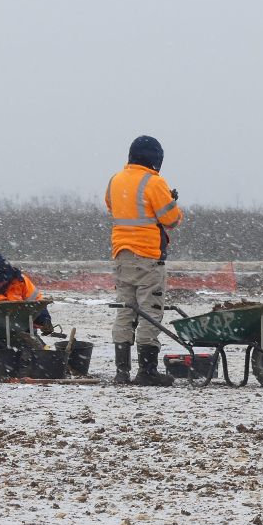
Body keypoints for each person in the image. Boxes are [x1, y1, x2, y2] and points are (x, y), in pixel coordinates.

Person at [106, 135, 184, 386]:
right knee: (150, 311)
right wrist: (170, 200)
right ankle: (147, 371)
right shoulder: (154, 182)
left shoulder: (115, 180)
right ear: (155, 159)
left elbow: (112, 206)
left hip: (121, 254)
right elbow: (171, 219)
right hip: (148, 257)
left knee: (125, 310)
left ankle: (121, 372)